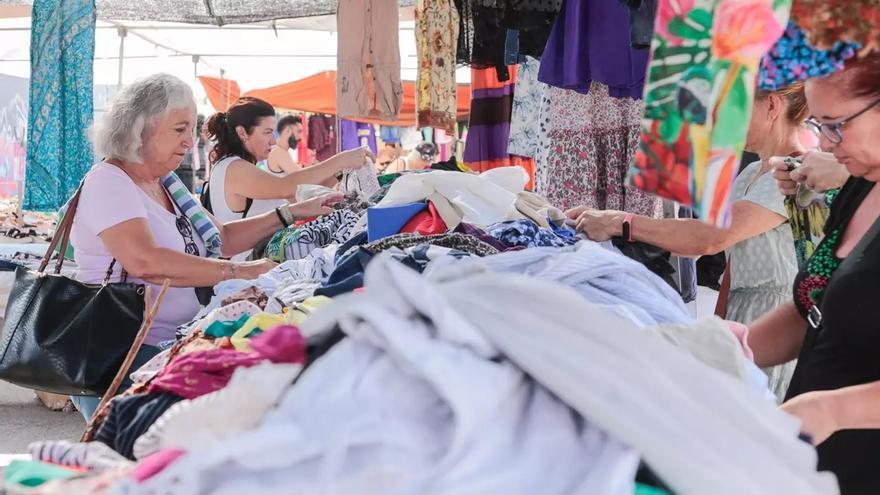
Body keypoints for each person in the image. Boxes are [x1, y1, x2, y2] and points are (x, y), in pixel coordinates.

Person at [69, 74, 342, 421]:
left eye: (191, 128)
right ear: (141, 128)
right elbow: (145, 261)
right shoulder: (110, 181)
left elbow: (222, 239)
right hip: (123, 353)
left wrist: (289, 213)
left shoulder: (167, 184)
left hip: (170, 343)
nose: (190, 140)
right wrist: (239, 271)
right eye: (179, 129)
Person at [568, 84, 809, 401]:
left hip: (774, 325)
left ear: (772, 106)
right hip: (742, 315)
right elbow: (693, 240)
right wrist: (615, 224)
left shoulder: (792, 175)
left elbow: (711, 238)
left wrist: (621, 222)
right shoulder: (752, 172)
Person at [746, 53, 880, 493]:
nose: (823, 144)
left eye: (836, 125)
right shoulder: (862, 184)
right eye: (819, 126)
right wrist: (739, 347)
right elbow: (819, 305)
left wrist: (834, 410)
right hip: (816, 468)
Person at [204, 97, 372, 228]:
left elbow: (296, 194)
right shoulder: (233, 168)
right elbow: (286, 187)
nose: (273, 141)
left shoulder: (239, 167)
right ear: (242, 132)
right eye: (267, 132)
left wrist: (341, 171)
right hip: (247, 268)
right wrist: (340, 160)